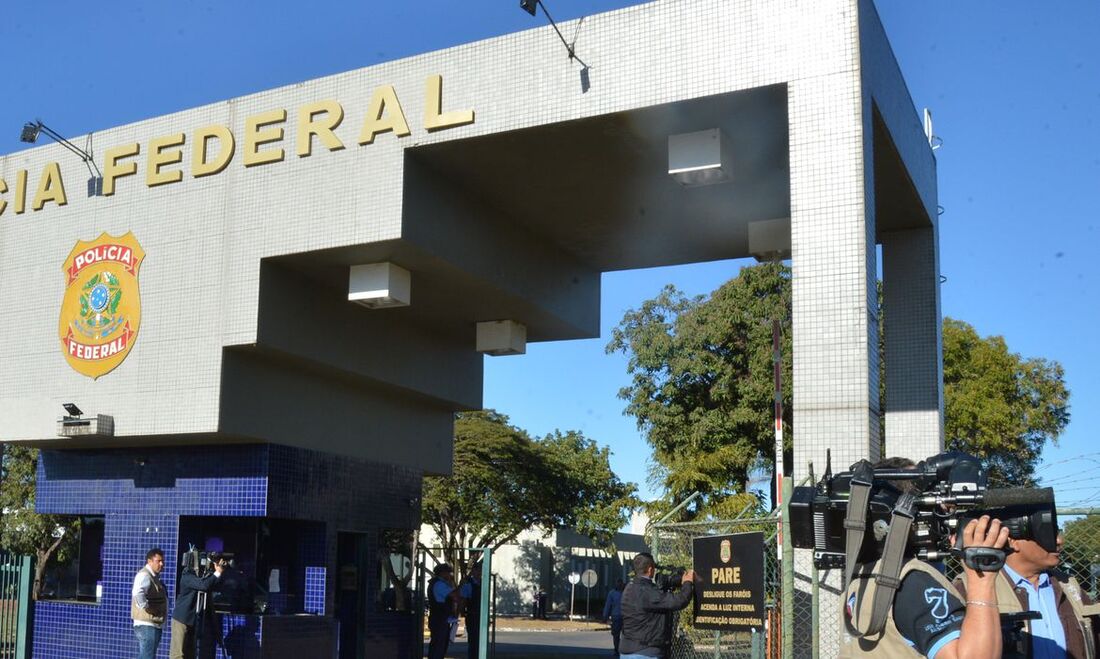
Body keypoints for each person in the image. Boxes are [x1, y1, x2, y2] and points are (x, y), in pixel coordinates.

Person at [841, 456, 1011, 658]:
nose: (942, 512)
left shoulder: (862, 577)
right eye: (930, 502)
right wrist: (981, 580)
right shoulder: (910, 581)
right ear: (905, 510)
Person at [955, 532, 1100, 658]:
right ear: (1013, 542)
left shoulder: (1069, 586)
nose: (1059, 540)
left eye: (1058, 532)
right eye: (1048, 534)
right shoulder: (971, 589)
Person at [619, 553, 697, 659]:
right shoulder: (647, 592)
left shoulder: (629, 588)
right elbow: (679, 601)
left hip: (627, 651)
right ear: (650, 570)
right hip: (645, 652)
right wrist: (687, 582)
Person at [170, 553, 225, 659]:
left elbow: (208, 584)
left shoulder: (197, 578)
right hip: (181, 619)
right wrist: (217, 573)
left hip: (192, 620)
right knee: (178, 654)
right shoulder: (187, 575)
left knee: (190, 653)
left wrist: (218, 572)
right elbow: (203, 585)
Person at [132, 547, 168, 659]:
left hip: (153, 624)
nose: (161, 564)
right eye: (158, 561)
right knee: (147, 656)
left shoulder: (153, 576)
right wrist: (147, 608)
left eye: (162, 561)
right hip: (147, 624)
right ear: (149, 561)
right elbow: (137, 593)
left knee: (147, 655)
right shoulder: (145, 575)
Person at [427, 563, 461, 659]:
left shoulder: (437, 583)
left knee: (439, 645)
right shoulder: (440, 584)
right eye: (448, 573)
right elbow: (455, 596)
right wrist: (453, 583)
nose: (450, 575)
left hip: (439, 618)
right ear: (442, 573)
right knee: (439, 646)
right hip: (440, 619)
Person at [459, 560, 483, 659]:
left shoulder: (483, 583)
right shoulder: (468, 584)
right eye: (477, 570)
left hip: (481, 615)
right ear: (473, 571)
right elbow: (463, 600)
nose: (479, 573)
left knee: (481, 640)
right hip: (472, 614)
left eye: (480, 570)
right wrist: (462, 612)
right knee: (473, 640)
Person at [603, 579, 625, 657]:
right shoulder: (612, 593)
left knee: (625, 635)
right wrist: (605, 616)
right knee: (616, 635)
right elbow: (608, 605)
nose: (619, 585)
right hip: (616, 617)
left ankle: (623, 649)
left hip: (625, 617)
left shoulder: (626, 593)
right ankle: (616, 649)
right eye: (618, 583)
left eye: (620, 584)